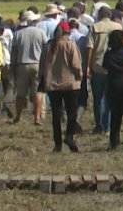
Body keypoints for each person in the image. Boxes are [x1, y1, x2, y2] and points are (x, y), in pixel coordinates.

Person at [39, 20, 81, 152]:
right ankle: (69, 136)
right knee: (72, 113)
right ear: (67, 32)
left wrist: (43, 79)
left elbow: (42, 65)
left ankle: (57, 144)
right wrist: (79, 76)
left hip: (52, 85)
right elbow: (76, 65)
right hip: (69, 84)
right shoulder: (70, 45)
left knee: (56, 115)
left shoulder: (48, 46)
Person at [85, 5, 119, 135]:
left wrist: (87, 66)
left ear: (99, 15)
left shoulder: (95, 27)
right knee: (111, 99)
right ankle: (108, 126)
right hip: (113, 67)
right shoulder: (118, 27)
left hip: (97, 66)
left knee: (98, 99)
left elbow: (89, 47)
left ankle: (99, 125)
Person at [11, 10, 44, 125]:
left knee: (20, 94)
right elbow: (45, 49)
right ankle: (37, 117)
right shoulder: (40, 32)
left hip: (22, 65)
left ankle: (18, 116)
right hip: (37, 64)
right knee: (37, 92)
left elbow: (14, 52)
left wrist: (12, 67)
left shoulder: (18, 34)